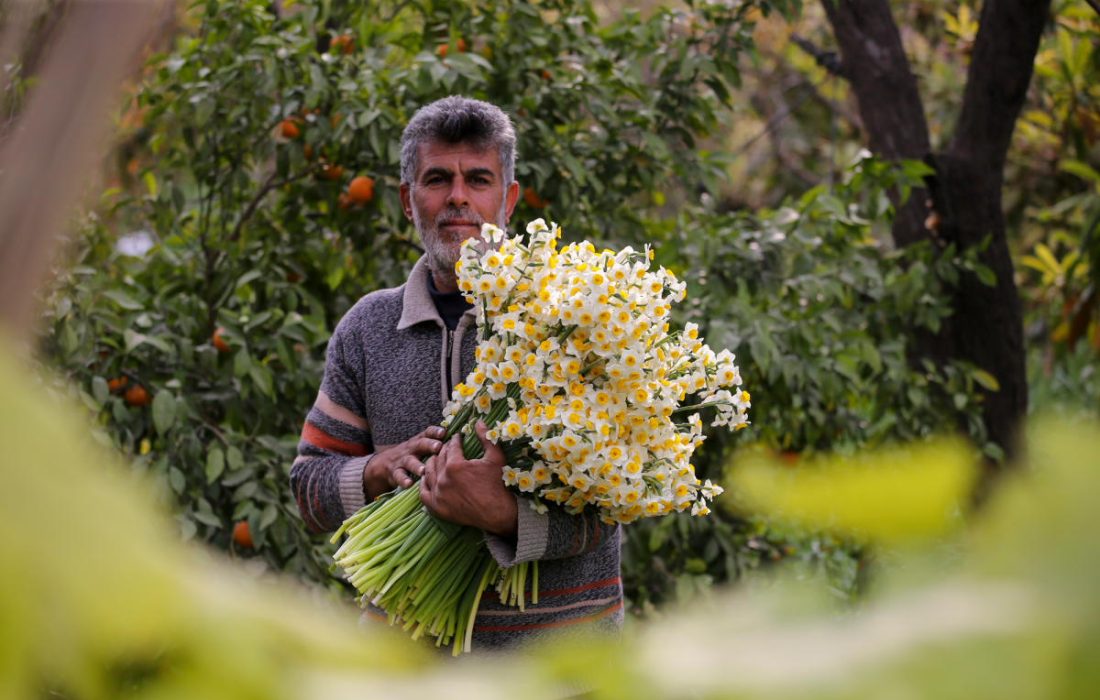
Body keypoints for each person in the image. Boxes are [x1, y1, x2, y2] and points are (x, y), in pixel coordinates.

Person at [290, 95, 622, 650]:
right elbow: (309, 489)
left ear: (509, 198)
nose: (458, 197)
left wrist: (507, 514)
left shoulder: (575, 316)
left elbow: (616, 505)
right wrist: (375, 471)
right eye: (437, 178)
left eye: (479, 178)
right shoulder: (367, 329)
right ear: (407, 200)